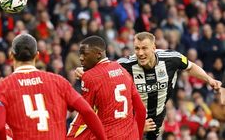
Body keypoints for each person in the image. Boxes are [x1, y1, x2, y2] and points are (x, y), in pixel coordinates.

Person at [75, 32, 221, 139]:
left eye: (144, 48)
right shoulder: (125, 64)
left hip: (157, 116)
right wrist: (84, 70)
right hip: (132, 119)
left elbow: (190, 67)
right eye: (137, 48)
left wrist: (209, 80)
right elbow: (103, 68)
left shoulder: (172, 59)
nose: (140, 53)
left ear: (154, 48)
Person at [0, 34, 106, 140]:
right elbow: (87, 111)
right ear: (37, 55)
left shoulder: (1, 87)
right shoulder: (58, 81)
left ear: (11, 55)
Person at [67, 36, 146, 139]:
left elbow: (85, 114)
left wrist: (69, 137)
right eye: (80, 54)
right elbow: (141, 110)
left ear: (98, 54)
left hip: (108, 135)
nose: (81, 58)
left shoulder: (90, 77)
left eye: (85, 54)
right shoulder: (122, 70)